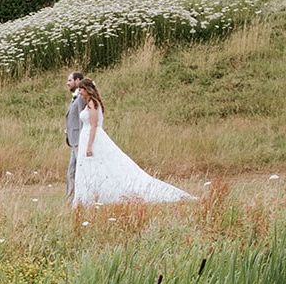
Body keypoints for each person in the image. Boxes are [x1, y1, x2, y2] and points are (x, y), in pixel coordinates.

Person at [73, 78, 194, 205]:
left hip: (93, 138)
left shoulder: (93, 103)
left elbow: (93, 125)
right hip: (87, 137)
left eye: (81, 89)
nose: (79, 92)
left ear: (87, 90)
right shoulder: (89, 103)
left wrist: (89, 146)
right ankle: (90, 196)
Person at [64, 71, 84, 203]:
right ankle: (70, 197)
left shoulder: (81, 98)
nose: (67, 83)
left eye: (70, 80)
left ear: (77, 81)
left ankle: (75, 198)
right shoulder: (76, 97)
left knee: (77, 170)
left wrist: (83, 138)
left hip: (78, 139)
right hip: (73, 139)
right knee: (71, 170)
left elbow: (82, 118)